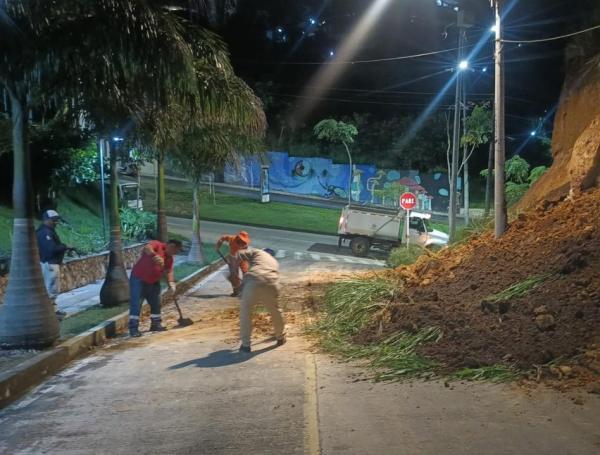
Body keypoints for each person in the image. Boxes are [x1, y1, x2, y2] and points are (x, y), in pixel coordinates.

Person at [128, 239, 183, 337]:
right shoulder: (157, 245)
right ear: (171, 246)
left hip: (153, 281)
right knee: (136, 303)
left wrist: (171, 283)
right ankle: (133, 329)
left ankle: (155, 324)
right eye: (176, 251)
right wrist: (155, 255)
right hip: (139, 278)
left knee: (156, 303)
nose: (176, 253)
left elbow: (169, 271)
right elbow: (147, 248)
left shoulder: (169, 259)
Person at [236, 247, 285, 353]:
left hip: (253, 281)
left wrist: (236, 270)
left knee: (246, 312)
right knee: (275, 311)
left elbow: (239, 253)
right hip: (272, 282)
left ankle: (245, 345)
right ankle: (280, 337)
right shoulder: (274, 262)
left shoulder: (258, 251)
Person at [36, 209, 71, 320]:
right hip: (49, 264)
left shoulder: (48, 230)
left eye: (57, 220)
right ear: (46, 220)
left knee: (53, 289)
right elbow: (50, 250)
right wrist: (65, 246)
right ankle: (50, 313)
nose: (56, 222)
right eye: (54, 220)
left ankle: (54, 310)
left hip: (52, 264)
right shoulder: (44, 232)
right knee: (51, 289)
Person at [215, 231, 250, 297]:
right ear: (238, 238)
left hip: (243, 258)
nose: (243, 243)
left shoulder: (245, 245)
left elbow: (245, 254)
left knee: (246, 272)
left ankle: (246, 290)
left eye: (244, 242)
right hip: (233, 257)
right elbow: (222, 238)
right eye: (242, 241)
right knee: (234, 275)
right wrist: (218, 246)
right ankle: (236, 291)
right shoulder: (231, 239)